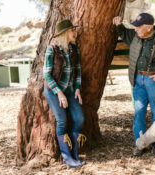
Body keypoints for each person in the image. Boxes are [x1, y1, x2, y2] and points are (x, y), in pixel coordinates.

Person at [113, 13, 155, 156]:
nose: (135, 29)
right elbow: (124, 33)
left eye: (138, 26)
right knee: (139, 113)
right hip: (138, 80)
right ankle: (140, 143)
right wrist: (118, 25)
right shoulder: (136, 35)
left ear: (149, 27)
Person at [43, 19, 86, 168]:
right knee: (62, 120)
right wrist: (59, 93)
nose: (75, 33)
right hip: (54, 90)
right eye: (72, 30)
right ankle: (67, 157)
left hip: (70, 90)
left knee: (79, 118)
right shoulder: (52, 49)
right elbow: (47, 75)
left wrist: (78, 88)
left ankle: (75, 152)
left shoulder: (74, 49)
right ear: (64, 34)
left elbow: (78, 70)